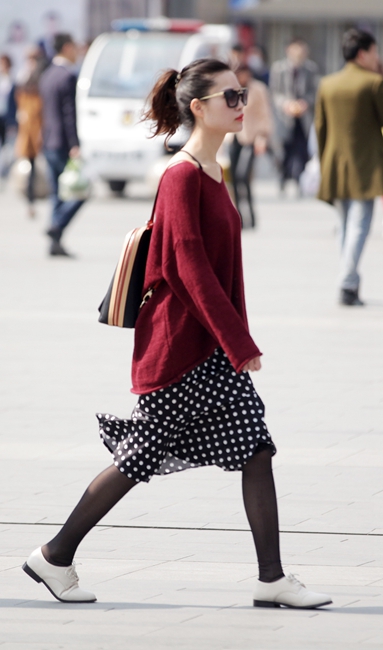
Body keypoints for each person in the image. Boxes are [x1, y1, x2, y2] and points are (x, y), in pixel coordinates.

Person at [22, 58, 332, 610]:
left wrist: (232, 341)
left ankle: (271, 578)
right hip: (178, 349)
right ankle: (55, 554)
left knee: (255, 448)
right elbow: (189, 269)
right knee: (139, 457)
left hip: (207, 350)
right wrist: (241, 342)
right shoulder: (182, 176)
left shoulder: (214, 172)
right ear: (198, 107)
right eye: (230, 98)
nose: (241, 105)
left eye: (242, 96)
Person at [315, 29, 383, 307]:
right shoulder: (374, 83)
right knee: (359, 225)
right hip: (366, 165)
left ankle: (349, 282)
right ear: (363, 53)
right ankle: (347, 282)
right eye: (376, 52)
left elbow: (320, 127)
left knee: (344, 225)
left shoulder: (327, 84)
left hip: (334, 162)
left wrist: (323, 162)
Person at [39, 33, 84, 257]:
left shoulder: (47, 74)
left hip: (48, 139)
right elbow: (69, 114)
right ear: (67, 47)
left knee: (57, 193)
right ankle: (56, 227)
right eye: (74, 47)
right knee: (80, 190)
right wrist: (75, 144)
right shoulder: (67, 76)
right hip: (63, 142)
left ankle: (55, 242)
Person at [270, 38, 319, 192]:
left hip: (304, 117)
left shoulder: (311, 69)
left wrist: (305, 103)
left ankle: (299, 180)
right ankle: (283, 177)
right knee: (284, 149)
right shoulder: (279, 68)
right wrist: (286, 104)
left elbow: (314, 91)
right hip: (285, 117)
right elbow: (274, 92)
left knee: (302, 148)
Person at [229, 64, 273, 227]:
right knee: (233, 179)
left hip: (252, 138)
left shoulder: (258, 89)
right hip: (233, 137)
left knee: (243, 176)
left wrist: (262, 137)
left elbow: (265, 114)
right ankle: (238, 216)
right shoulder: (232, 90)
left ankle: (252, 216)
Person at [15, 47, 46, 217]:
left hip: (38, 126)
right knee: (32, 164)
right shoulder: (24, 76)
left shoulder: (41, 76)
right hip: (28, 126)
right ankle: (31, 200)